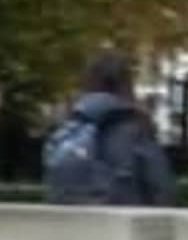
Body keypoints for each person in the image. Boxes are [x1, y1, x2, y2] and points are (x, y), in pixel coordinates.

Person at [42, 53, 177, 207]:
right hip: (123, 219)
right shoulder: (136, 130)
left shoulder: (68, 130)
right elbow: (161, 189)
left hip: (67, 220)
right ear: (125, 85)